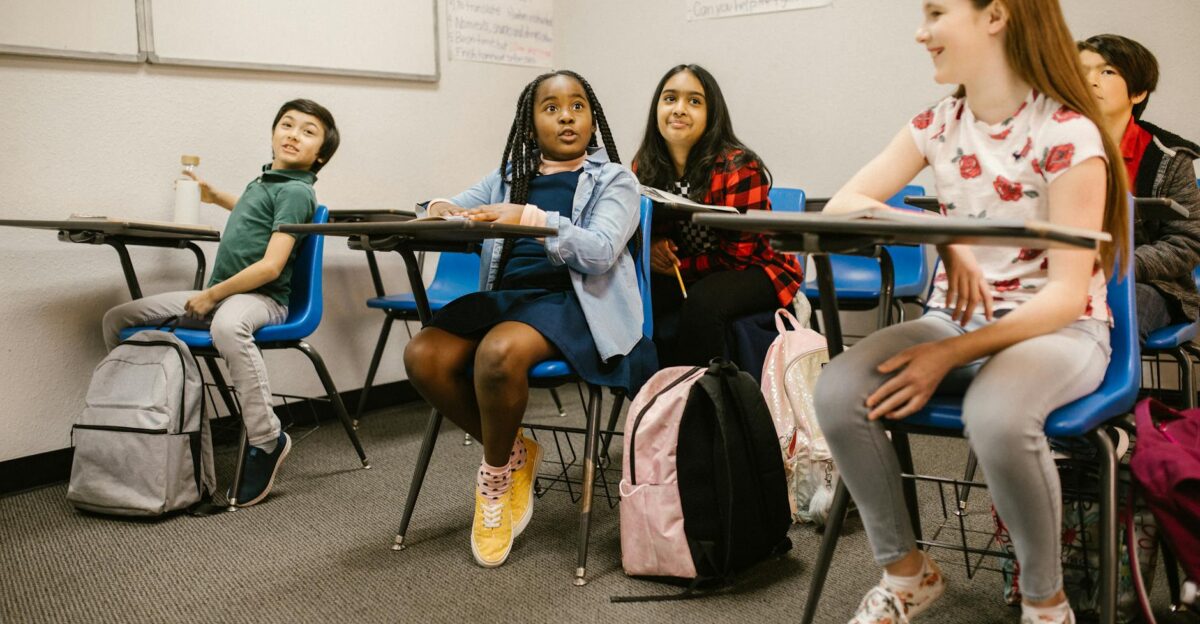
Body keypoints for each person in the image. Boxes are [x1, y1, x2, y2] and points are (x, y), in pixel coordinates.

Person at [812, 1, 1128, 622]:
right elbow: (843, 205)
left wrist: (948, 354)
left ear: (996, 16)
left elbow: (1066, 296)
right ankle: (908, 574)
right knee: (838, 389)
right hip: (958, 318)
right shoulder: (937, 124)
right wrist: (942, 234)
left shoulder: (1068, 134)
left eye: (936, 12)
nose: (921, 31)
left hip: (1060, 329)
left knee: (996, 416)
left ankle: (1046, 602)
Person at [402, 70, 656, 568]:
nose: (567, 116)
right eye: (551, 108)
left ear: (592, 118)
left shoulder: (615, 179)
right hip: (510, 300)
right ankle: (516, 452)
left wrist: (530, 219)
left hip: (576, 303)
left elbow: (601, 252)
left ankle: (495, 477)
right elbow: (449, 208)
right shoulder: (508, 176)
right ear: (530, 122)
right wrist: (441, 208)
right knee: (423, 354)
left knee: (497, 352)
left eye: (578, 106)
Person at [102, 99, 339, 507]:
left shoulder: (297, 191)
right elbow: (256, 212)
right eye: (287, 124)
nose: (293, 134)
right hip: (225, 295)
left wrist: (212, 294)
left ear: (320, 155)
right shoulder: (265, 182)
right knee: (118, 319)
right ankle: (139, 420)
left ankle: (267, 439)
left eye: (307, 131)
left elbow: (271, 266)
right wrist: (215, 197)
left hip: (263, 300)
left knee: (227, 327)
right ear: (273, 133)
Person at [631, 64, 803, 367]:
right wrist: (655, 245)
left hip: (758, 268)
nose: (679, 109)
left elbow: (737, 258)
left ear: (712, 114)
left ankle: (702, 392)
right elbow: (644, 231)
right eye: (670, 99)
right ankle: (651, 389)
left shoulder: (739, 167)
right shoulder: (643, 167)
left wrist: (678, 267)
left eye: (694, 101)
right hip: (691, 268)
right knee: (634, 294)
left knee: (704, 301)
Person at [1078, 33, 1200, 340]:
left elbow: (1187, 242)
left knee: (1111, 314)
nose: (1090, 81)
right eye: (1081, 71)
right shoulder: (1051, 147)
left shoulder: (1168, 157)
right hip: (1065, 276)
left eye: (1107, 72)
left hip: (1146, 283)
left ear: (1138, 92)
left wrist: (1117, 266)